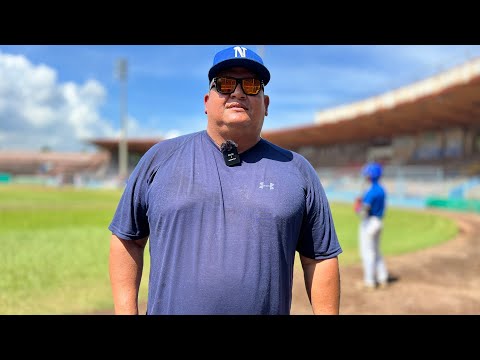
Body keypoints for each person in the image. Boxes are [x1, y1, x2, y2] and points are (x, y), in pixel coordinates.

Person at [108, 45, 343, 315]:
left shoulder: (297, 170)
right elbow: (128, 238)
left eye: (253, 85)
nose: (239, 92)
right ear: (207, 101)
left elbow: (319, 259)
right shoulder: (159, 159)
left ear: (265, 105)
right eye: (226, 83)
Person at [355, 161, 389, 290]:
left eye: (367, 175)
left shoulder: (371, 191)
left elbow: (363, 213)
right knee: (377, 251)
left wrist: (357, 208)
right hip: (379, 221)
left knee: (367, 252)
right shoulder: (381, 189)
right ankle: (383, 278)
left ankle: (369, 281)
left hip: (369, 223)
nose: (365, 176)